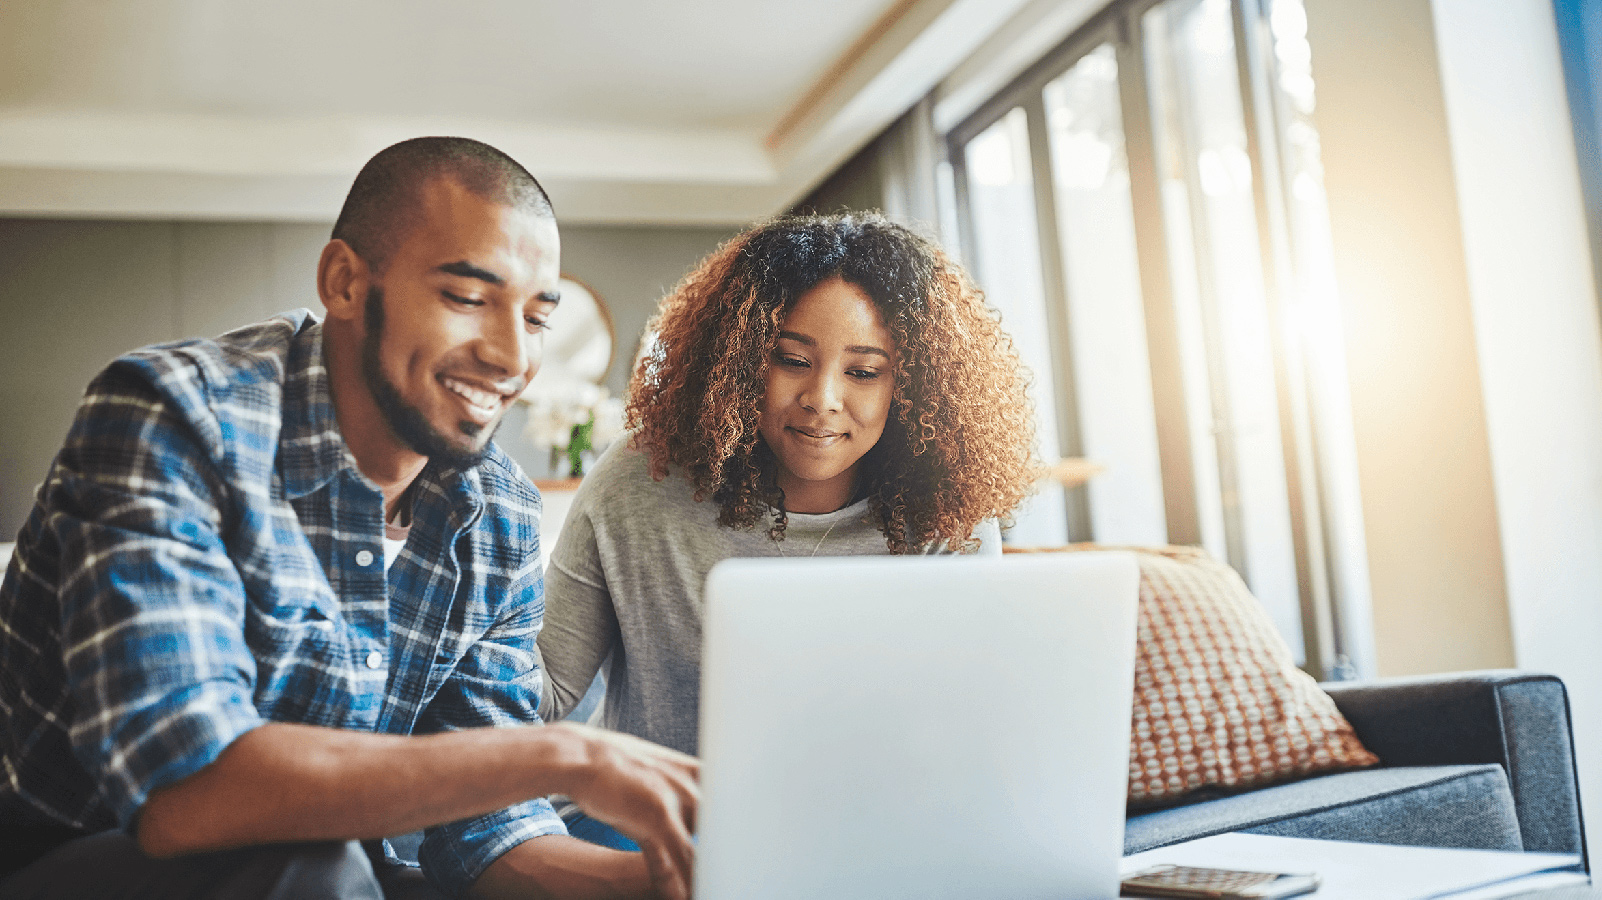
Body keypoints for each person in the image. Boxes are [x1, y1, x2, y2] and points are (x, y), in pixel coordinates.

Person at [0, 137, 698, 900]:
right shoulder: (174, 417)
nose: (510, 357)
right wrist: (563, 755)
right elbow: (184, 792)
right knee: (322, 867)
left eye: (536, 318)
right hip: (66, 858)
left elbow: (489, 832)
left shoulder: (499, 510)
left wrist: (674, 882)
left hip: (326, 872)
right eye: (467, 298)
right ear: (343, 282)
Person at [537, 213, 1039, 849]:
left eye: (863, 372)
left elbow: (964, 719)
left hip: (871, 829)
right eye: (793, 360)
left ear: (911, 385)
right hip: (656, 830)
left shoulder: (944, 512)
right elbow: (544, 690)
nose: (822, 397)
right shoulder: (642, 479)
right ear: (743, 358)